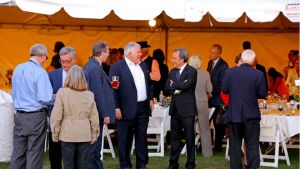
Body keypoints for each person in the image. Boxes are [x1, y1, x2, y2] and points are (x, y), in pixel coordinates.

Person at [109, 42, 154, 169]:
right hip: (125, 110)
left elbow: (149, 84)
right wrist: (116, 107)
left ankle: (141, 165)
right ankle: (125, 165)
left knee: (142, 139)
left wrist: (150, 98)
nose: (141, 54)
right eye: (138, 52)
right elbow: (114, 89)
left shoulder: (143, 65)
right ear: (129, 53)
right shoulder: (117, 68)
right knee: (125, 140)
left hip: (143, 109)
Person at [222, 49, 268, 169]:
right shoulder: (258, 74)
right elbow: (263, 93)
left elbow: (225, 89)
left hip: (234, 114)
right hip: (251, 114)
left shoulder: (230, 72)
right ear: (253, 61)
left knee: (235, 146)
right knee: (252, 145)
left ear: (241, 59)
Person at [10, 44, 53, 169]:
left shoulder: (18, 68)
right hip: (36, 116)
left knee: (18, 153)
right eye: (46, 57)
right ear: (42, 56)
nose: (45, 60)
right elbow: (45, 98)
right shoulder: (40, 71)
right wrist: (59, 96)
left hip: (19, 115)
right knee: (34, 152)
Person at [50, 65, 99, 169]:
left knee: (68, 164)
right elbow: (94, 117)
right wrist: (94, 133)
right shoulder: (89, 94)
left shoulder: (62, 93)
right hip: (84, 133)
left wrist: (55, 133)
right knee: (83, 164)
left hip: (67, 133)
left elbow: (56, 115)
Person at [83, 41, 115, 169]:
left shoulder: (92, 65)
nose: (108, 55)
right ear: (102, 53)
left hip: (93, 113)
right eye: (107, 52)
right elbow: (98, 94)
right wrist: (104, 113)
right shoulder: (95, 68)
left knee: (94, 149)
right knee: (94, 148)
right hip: (95, 114)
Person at [166, 48, 197, 169]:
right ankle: (173, 164)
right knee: (174, 138)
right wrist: (178, 86)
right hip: (175, 110)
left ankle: (190, 164)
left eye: (174, 58)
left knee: (190, 139)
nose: (172, 60)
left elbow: (188, 85)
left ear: (182, 59)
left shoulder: (192, 71)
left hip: (188, 110)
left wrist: (174, 85)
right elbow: (167, 87)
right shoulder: (172, 71)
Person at [48, 46, 76, 169]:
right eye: (62, 61)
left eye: (67, 61)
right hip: (56, 120)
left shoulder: (82, 74)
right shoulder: (52, 75)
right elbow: (47, 97)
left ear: (73, 60)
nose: (64, 64)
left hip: (74, 121)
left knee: (73, 156)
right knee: (55, 156)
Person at [189, 55, 213, 157]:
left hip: (190, 103)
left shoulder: (187, 74)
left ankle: (190, 152)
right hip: (202, 102)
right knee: (205, 129)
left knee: (190, 128)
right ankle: (207, 153)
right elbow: (210, 89)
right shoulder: (205, 73)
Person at [206, 43, 229, 152]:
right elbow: (208, 79)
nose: (210, 54)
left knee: (218, 123)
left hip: (217, 98)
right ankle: (206, 144)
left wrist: (210, 94)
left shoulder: (224, 65)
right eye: (210, 52)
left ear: (219, 54)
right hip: (209, 97)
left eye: (212, 53)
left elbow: (221, 84)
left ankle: (218, 146)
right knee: (207, 121)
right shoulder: (210, 63)